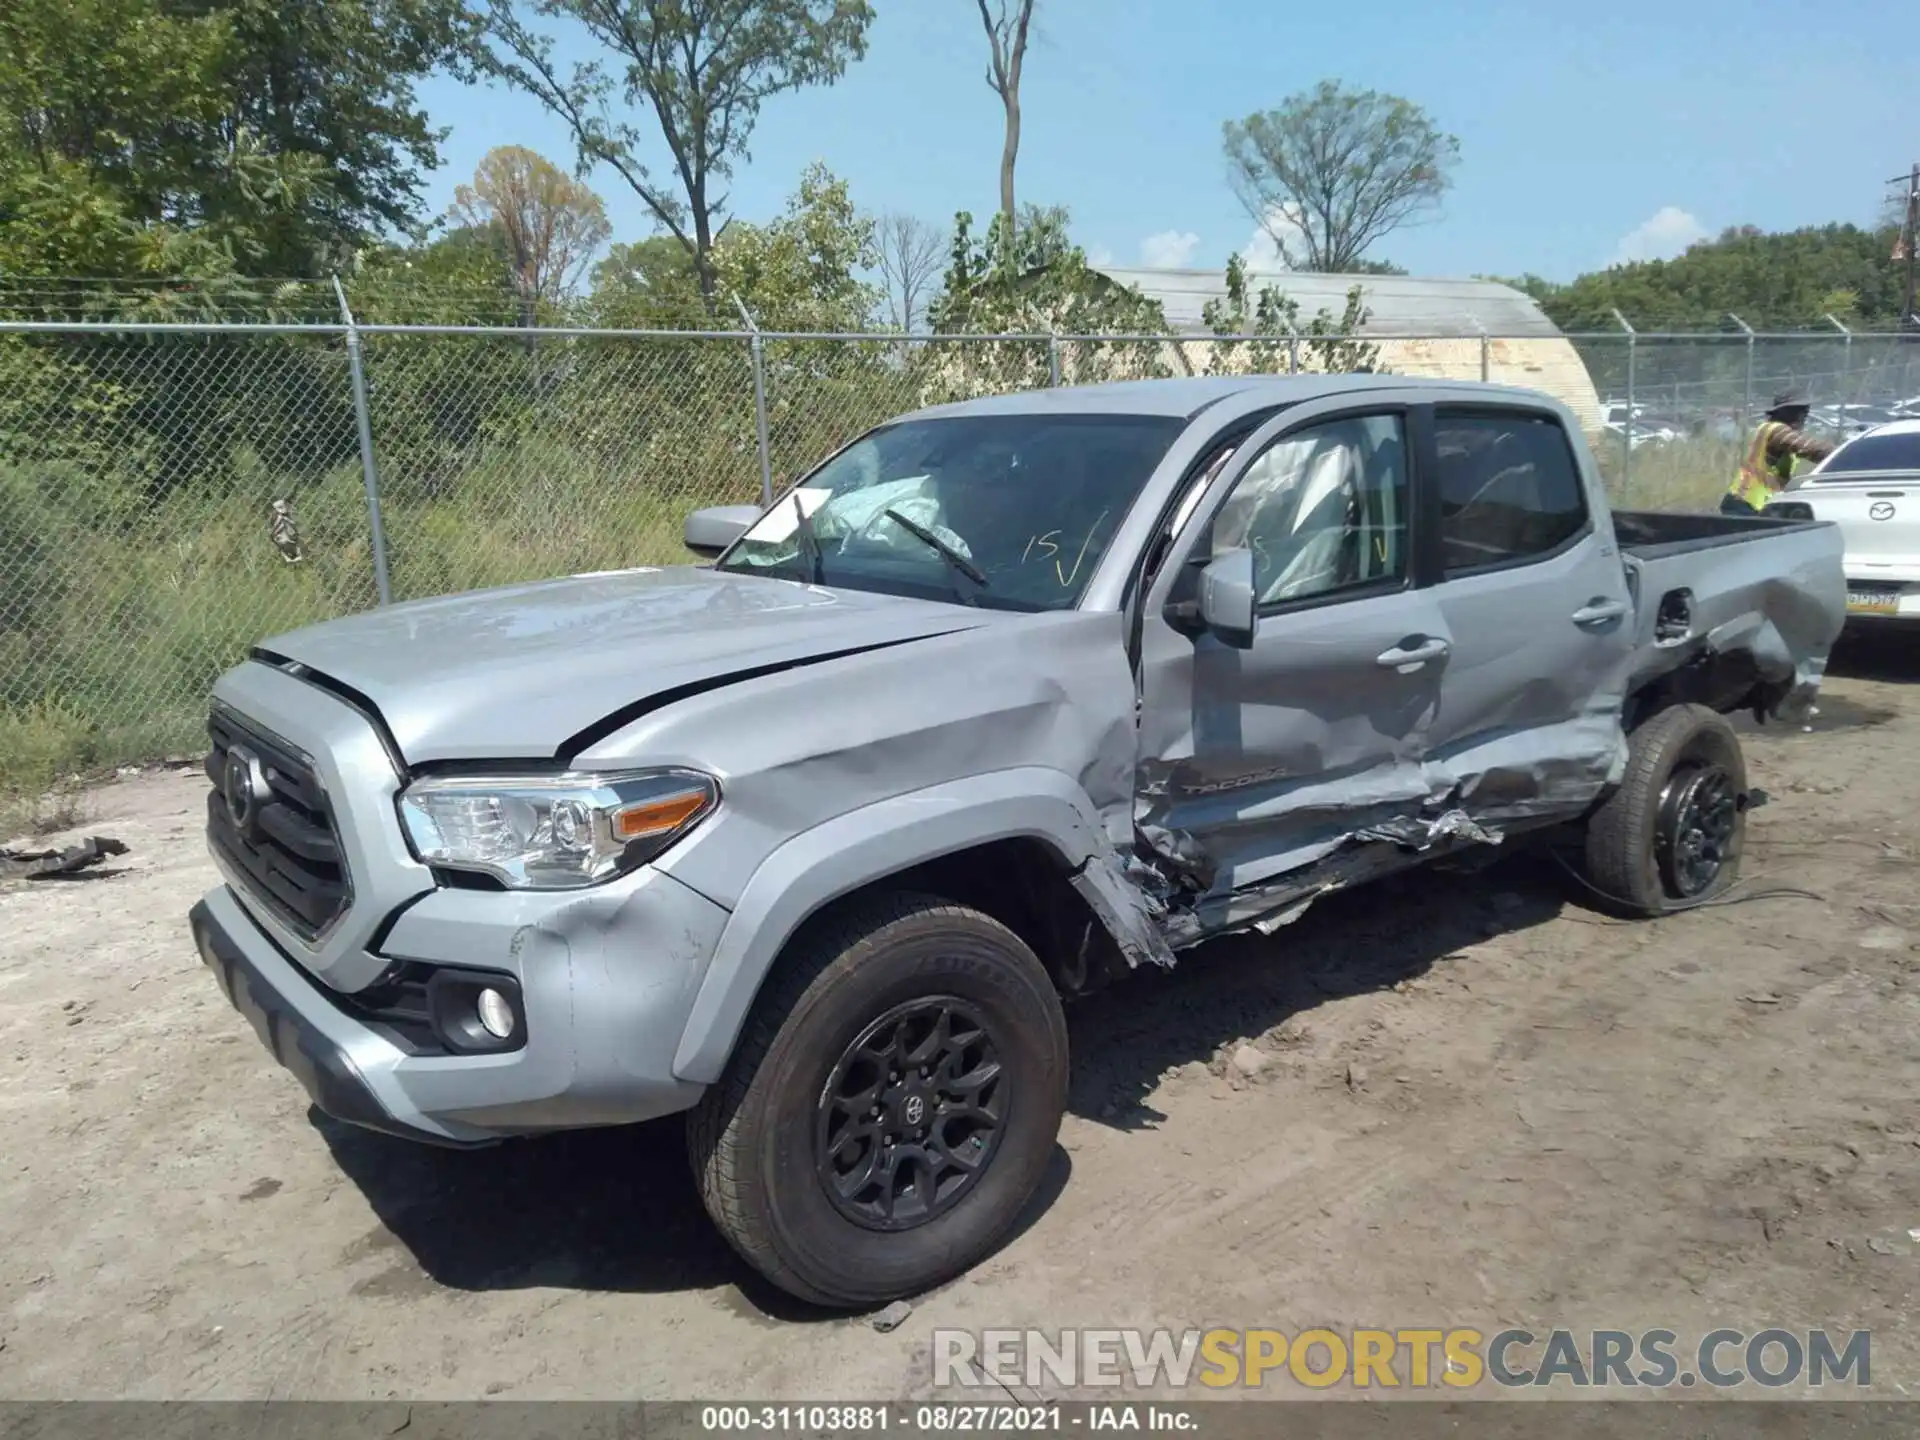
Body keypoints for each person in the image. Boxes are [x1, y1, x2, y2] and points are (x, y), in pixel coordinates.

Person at [1720, 391, 1837, 516]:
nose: (1805, 415)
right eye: (1801, 411)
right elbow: (1810, 449)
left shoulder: (1770, 430)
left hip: (1750, 503)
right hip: (1746, 504)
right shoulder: (1777, 431)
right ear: (1786, 412)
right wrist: (1842, 452)